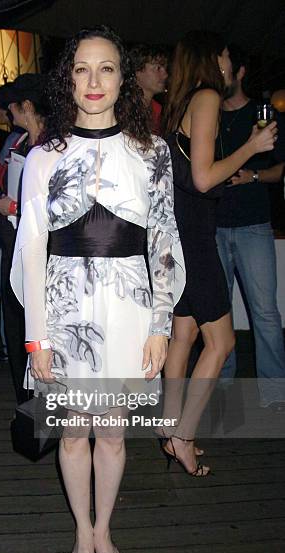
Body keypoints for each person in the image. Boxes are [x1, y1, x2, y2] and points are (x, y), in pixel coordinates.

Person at [10, 26, 185, 553]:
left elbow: (163, 239)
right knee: (72, 431)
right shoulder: (44, 157)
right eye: (82, 69)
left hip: (130, 308)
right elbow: (31, 249)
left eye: (106, 68)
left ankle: (103, 528)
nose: (93, 81)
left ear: (122, 78)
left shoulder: (152, 152)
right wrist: (36, 337)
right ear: (69, 79)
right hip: (65, 313)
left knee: (111, 431)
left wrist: (160, 325)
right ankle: (81, 535)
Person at [161, 31, 277, 475]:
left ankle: (169, 429)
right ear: (212, 60)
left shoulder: (181, 102)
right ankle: (184, 437)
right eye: (226, 57)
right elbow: (206, 179)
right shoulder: (207, 96)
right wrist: (253, 147)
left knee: (184, 336)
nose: (229, 66)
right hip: (195, 239)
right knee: (223, 341)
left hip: (180, 236)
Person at [216, 45, 285, 412]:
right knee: (218, 312)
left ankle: (274, 392)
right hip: (214, 225)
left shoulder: (263, 114)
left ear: (240, 72)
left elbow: (279, 169)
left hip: (254, 226)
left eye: (223, 67)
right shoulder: (206, 113)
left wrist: (253, 175)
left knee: (265, 313)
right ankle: (224, 385)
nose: (216, 74)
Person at [0, 74, 48, 403]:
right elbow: (0, 185)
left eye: (12, 105)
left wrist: (15, 207)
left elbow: (56, 203)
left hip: (41, 250)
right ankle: (25, 400)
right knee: (16, 321)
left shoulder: (53, 144)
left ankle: (47, 397)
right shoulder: (18, 142)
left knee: (39, 323)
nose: (7, 110)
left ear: (28, 106)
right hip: (13, 245)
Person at [130, 43, 168, 135]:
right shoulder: (123, 109)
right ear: (137, 70)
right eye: (158, 68)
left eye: (165, 69)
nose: (165, 75)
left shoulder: (157, 108)